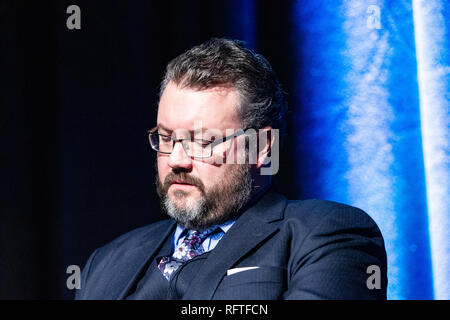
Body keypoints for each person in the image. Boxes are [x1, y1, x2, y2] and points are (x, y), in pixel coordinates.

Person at [75, 38, 387, 300]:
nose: (176, 160)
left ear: (262, 146)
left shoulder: (330, 233)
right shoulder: (107, 261)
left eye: (202, 140)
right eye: (167, 137)